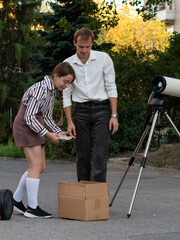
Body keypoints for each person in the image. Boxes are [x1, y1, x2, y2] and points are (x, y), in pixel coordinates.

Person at [12, 62, 75, 218]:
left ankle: (15, 200)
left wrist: (59, 132)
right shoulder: (40, 89)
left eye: (69, 83)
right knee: (36, 166)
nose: (66, 86)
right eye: (65, 81)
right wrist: (47, 134)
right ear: (55, 76)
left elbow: (46, 117)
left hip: (35, 126)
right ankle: (32, 208)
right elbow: (28, 117)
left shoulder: (51, 91)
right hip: (26, 126)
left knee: (41, 166)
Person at [63, 28, 119, 183]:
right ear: (74, 43)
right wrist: (69, 122)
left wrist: (114, 115)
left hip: (102, 109)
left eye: (88, 47)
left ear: (92, 43)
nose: (84, 50)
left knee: (100, 153)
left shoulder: (104, 58)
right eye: (81, 47)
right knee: (82, 154)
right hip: (81, 111)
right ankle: (83, 193)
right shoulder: (68, 63)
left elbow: (111, 87)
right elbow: (66, 94)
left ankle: (97, 195)